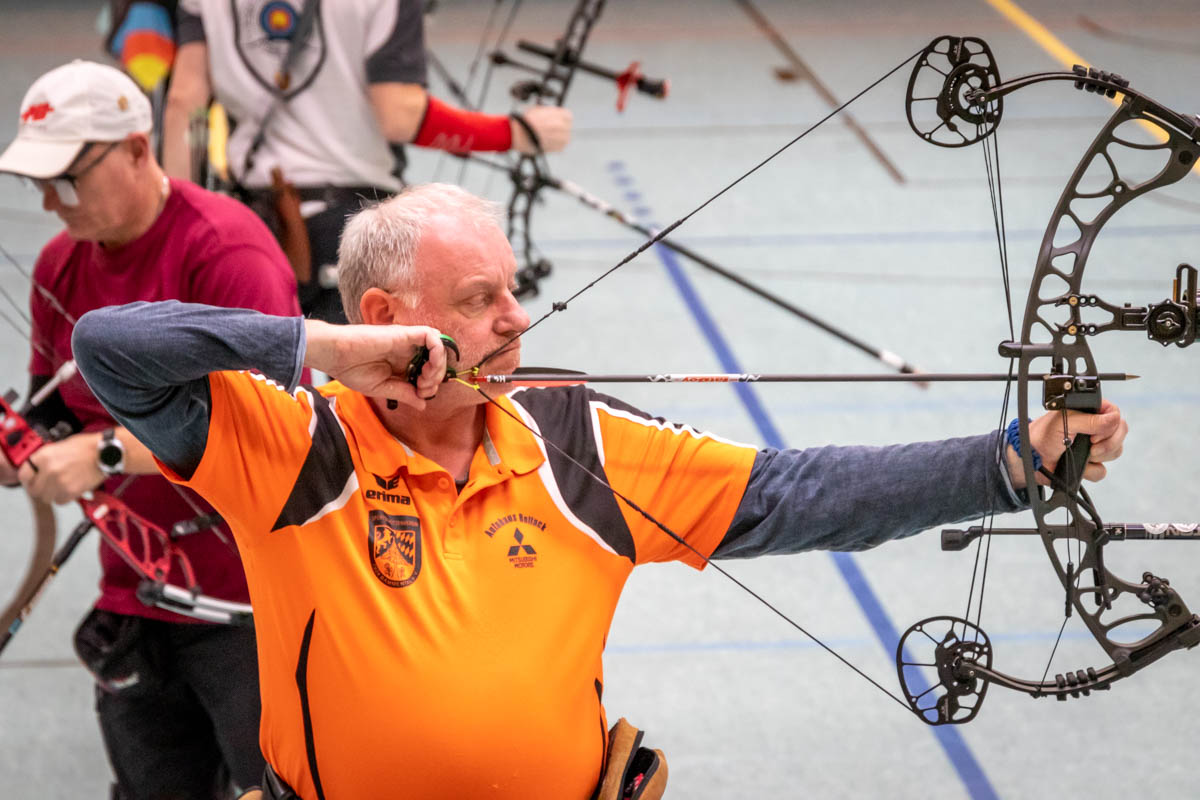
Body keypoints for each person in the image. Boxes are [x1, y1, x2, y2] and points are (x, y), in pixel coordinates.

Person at [71, 183, 1128, 799]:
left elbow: (798, 493)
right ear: (390, 316)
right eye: (481, 299)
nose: (517, 320)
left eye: (513, 291)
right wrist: (331, 349)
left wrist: (1014, 460)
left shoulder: (576, 440)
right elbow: (111, 348)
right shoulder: (293, 445)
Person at [0, 60, 303, 799]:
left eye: (67, 180)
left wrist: (104, 453)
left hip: (248, 600)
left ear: (138, 149)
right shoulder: (60, 263)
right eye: (40, 184)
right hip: (137, 589)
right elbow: (56, 412)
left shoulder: (227, 252)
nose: (51, 201)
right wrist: (24, 448)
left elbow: (273, 429)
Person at [161, 0, 573, 324]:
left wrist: (177, 228)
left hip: (257, 224)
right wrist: (513, 133)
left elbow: (184, 101)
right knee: (373, 392)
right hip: (357, 222)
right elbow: (399, 114)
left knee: (264, 389)